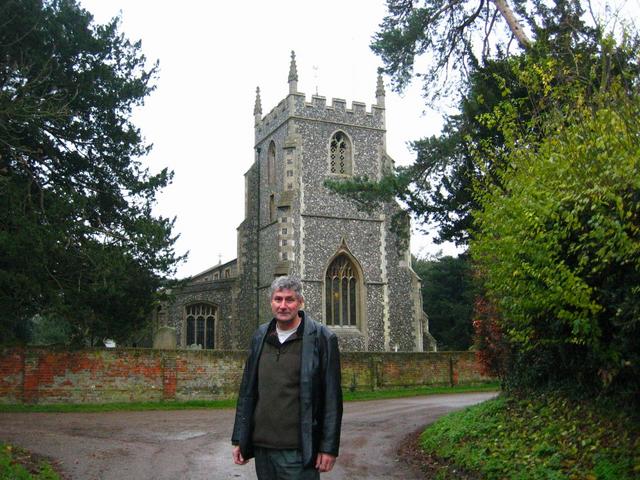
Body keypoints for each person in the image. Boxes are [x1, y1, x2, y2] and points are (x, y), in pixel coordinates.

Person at [231, 275, 343, 479]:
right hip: (262, 447)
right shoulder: (260, 336)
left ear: (300, 302)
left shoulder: (322, 338)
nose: (283, 306)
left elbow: (332, 398)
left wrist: (328, 448)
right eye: (278, 299)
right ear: (271, 302)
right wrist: (239, 438)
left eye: (289, 299)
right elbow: (247, 391)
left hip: (298, 451)